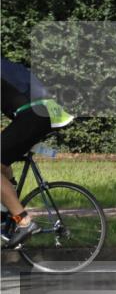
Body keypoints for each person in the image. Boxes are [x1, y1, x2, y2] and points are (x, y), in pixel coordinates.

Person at [1, 57, 74, 246]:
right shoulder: (6, 65)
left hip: (34, 115)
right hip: (44, 112)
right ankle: (7, 209)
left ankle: (23, 221)